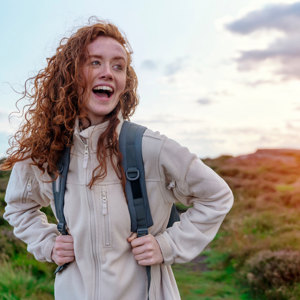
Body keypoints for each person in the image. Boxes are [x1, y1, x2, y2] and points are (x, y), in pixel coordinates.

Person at [2, 19, 233, 300]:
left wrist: (167, 246)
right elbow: (18, 207)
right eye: (95, 62)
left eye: (118, 66)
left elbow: (217, 195)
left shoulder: (150, 147)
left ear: (125, 82)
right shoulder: (46, 152)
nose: (108, 73)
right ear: (70, 74)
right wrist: (47, 243)